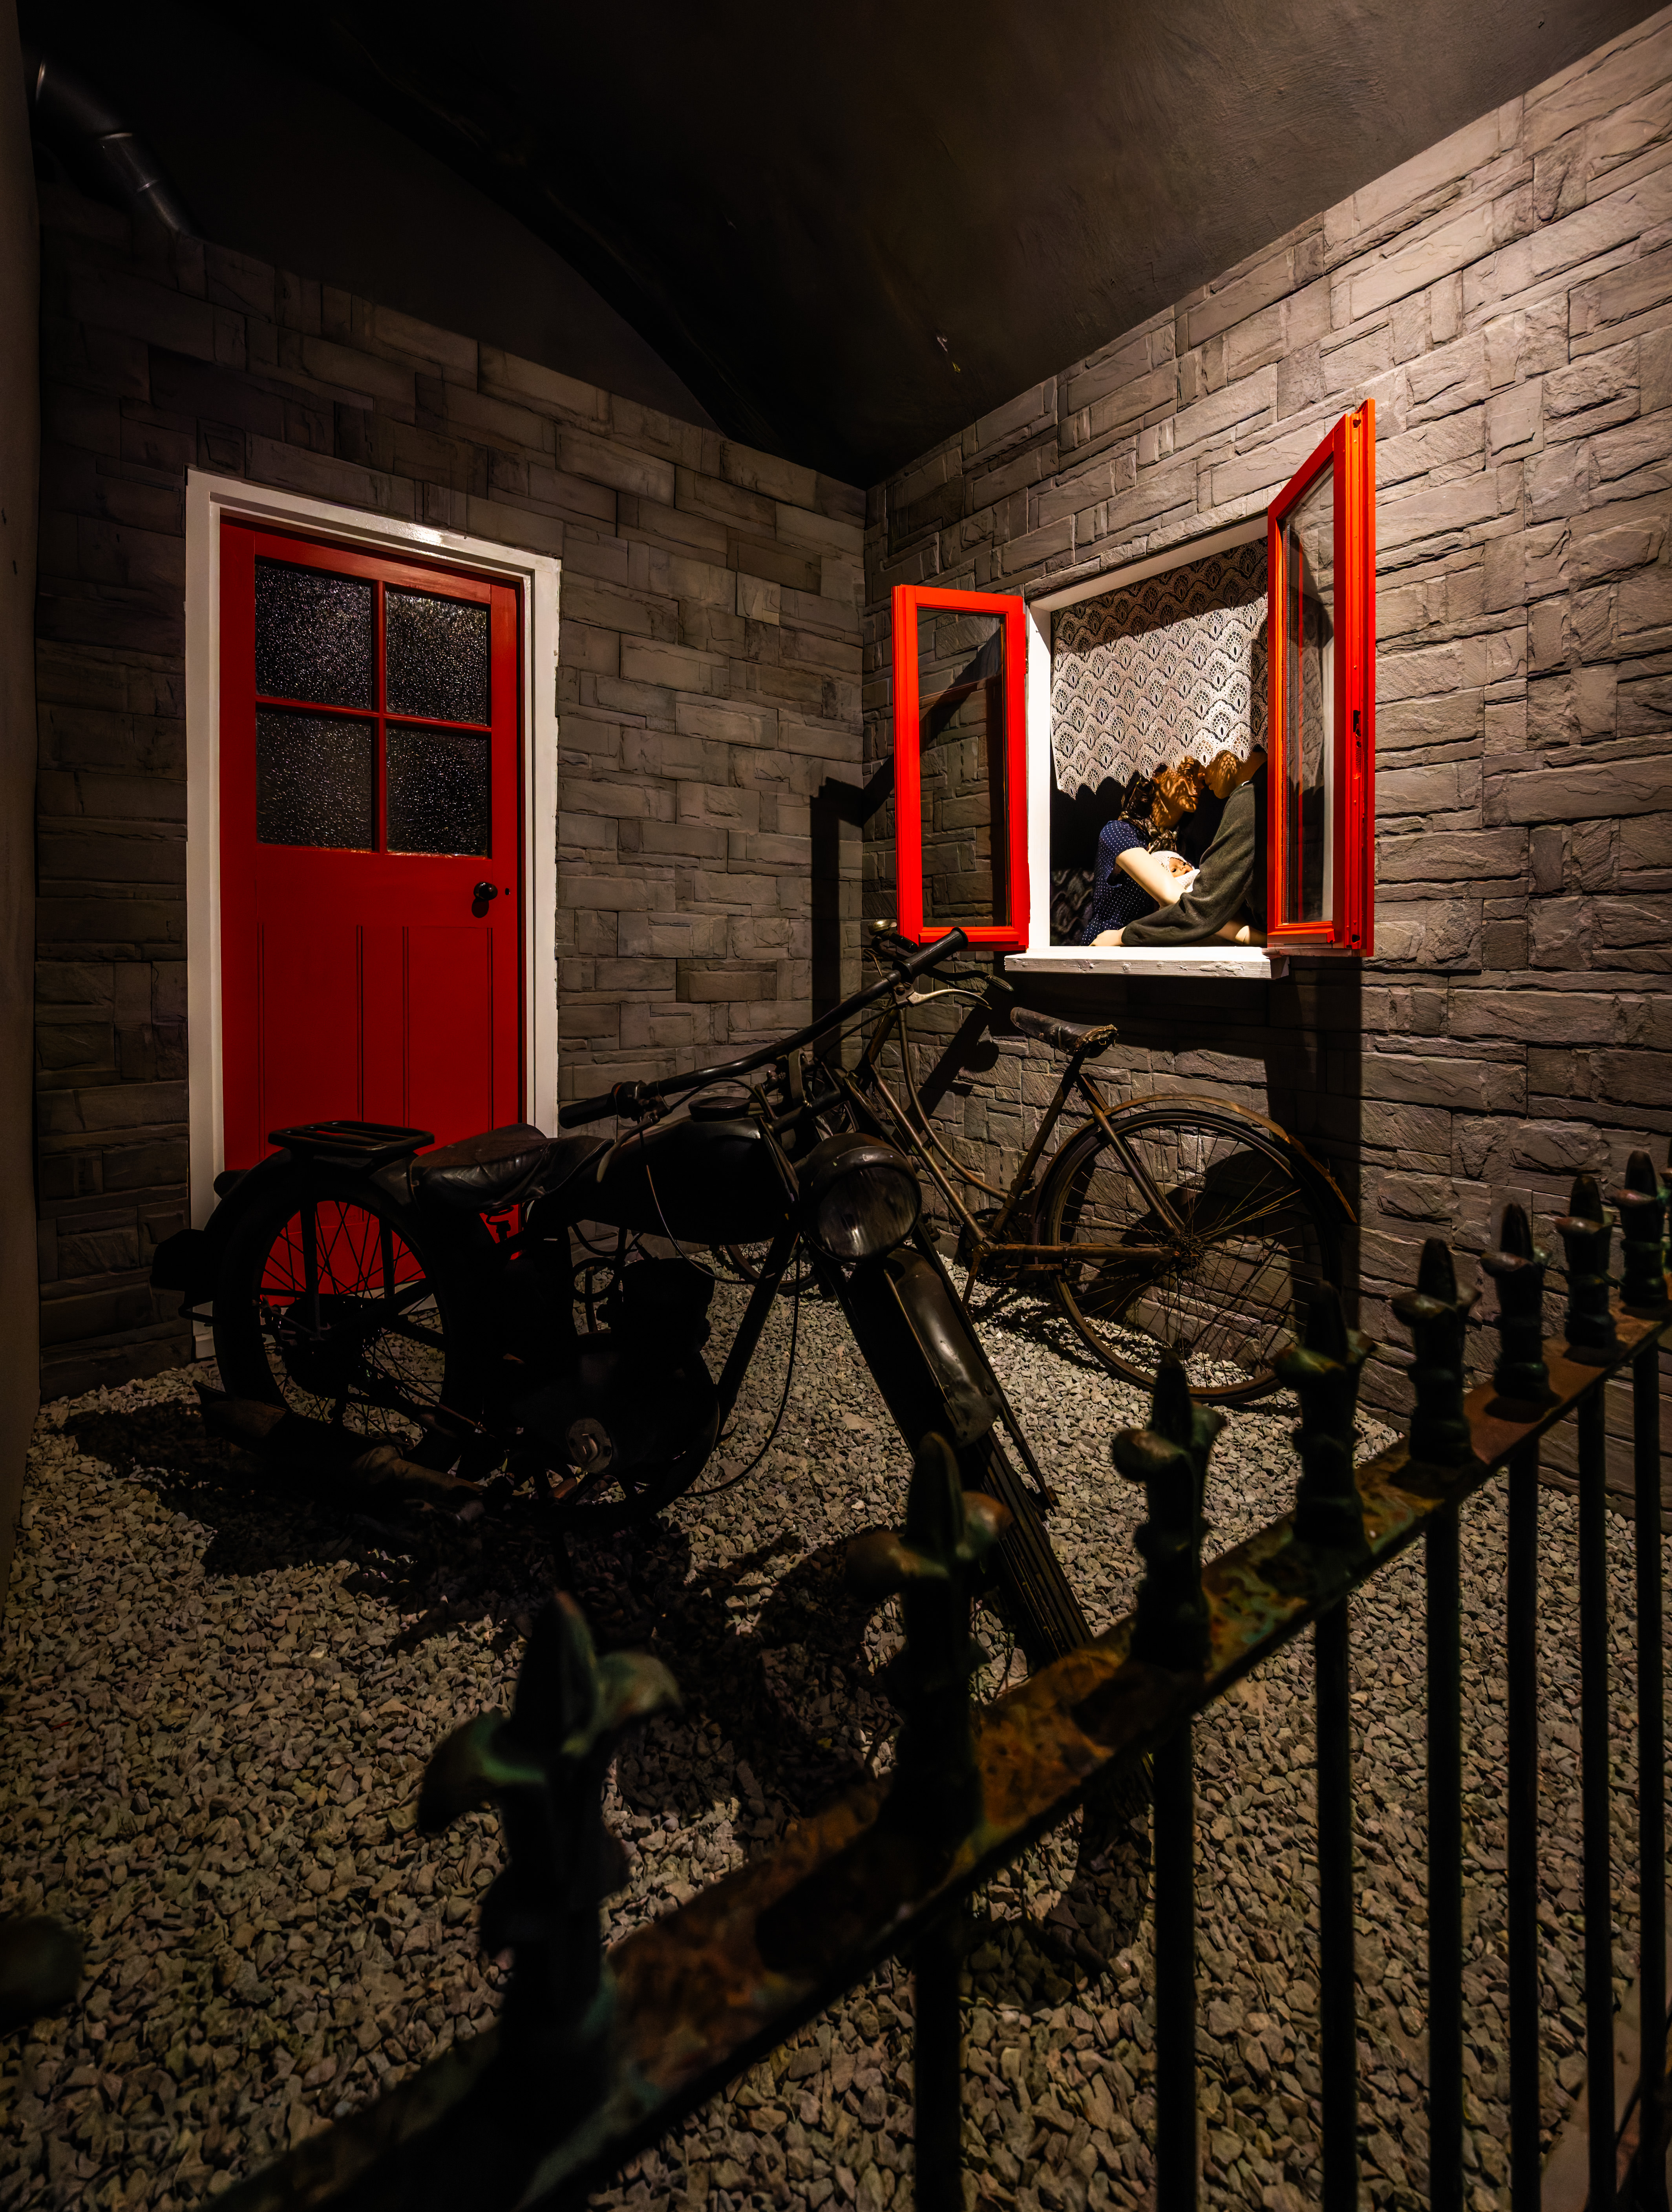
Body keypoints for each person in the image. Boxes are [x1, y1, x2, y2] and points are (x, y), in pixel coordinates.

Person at [1093, 746, 1267, 948]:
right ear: (1156, 774)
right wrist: (1248, 935)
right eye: (1188, 773)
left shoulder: (1184, 844)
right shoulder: (1119, 832)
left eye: (1200, 770)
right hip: (1107, 950)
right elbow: (1178, 899)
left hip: (1157, 950)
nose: (1200, 782)